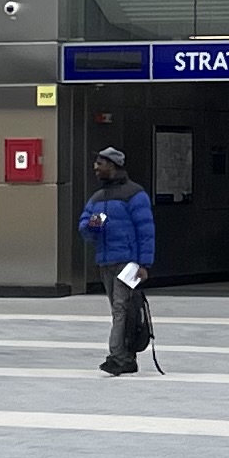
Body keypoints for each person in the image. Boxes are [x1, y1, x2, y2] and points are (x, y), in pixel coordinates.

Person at [77, 145, 156, 375]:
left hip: (128, 263)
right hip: (106, 262)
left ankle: (117, 357)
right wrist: (92, 225)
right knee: (121, 309)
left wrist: (144, 265)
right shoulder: (98, 197)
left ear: (112, 166)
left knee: (121, 308)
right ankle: (126, 356)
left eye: (100, 164)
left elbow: (146, 231)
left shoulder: (135, 194)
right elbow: (85, 228)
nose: (95, 168)